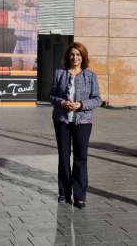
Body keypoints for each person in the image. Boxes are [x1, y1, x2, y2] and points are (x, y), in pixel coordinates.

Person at [48, 42, 101, 209]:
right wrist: (62, 102)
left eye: (78, 54)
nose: (75, 57)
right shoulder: (59, 74)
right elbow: (51, 96)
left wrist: (81, 105)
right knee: (64, 157)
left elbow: (97, 99)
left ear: (83, 57)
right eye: (72, 54)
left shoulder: (90, 75)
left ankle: (80, 196)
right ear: (67, 56)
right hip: (61, 119)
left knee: (81, 157)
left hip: (83, 121)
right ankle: (64, 192)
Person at [12, 0, 39, 71]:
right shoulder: (22, 5)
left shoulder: (37, 7)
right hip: (19, 40)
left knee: (26, 73)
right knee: (15, 71)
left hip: (30, 41)